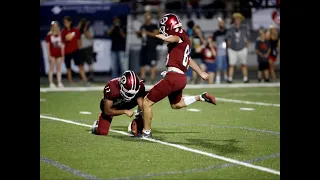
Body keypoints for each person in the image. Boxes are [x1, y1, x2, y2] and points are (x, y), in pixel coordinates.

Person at [141, 13, 217, 138]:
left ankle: (146, 132)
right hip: (181, 78)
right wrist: (200, 73)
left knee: (147, 102)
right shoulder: (185, 38)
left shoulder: (178, 36)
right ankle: (201, 97)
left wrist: (165, 38)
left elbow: (174, 38)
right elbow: (188, 59)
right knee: (176, 104)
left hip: (173, 77)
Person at [90, 70, 147, 136]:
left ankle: (134, 123)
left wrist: (141, 118)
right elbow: (107, 110)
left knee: (146, 103)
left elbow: (142, 106)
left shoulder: (140, 87)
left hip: (129, 103)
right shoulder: (112, 87)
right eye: (128, 92)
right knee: (102, 132)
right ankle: (96, 126)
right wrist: (124, 111)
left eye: (132, 93)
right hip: (114, 106)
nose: (130, 95)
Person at [61, 16, 89, 85]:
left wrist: (80, 49)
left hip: (76, 50)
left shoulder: (75, 30)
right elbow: (62, 42)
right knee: (68, 67)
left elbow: (79, 40)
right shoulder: (63, 31)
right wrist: (66, 39)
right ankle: (70, 82)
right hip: (67, 51)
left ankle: (85, 80)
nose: (65, 23)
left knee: (80, 65)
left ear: (70, 22)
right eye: (64, 22)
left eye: (67, 22)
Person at [226, 13, 250, 83]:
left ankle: (245, 78)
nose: (237, 20)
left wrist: (246, 47)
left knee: (243, 64)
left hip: (242, 48)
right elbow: (227, 39)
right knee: (231, 65)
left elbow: (247, 38)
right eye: (235, 19)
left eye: (238, 19)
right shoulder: (231, 28)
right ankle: (230, 79)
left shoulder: (244, 28)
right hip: (232, 49)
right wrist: (228, 48)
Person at [136, 12, 159, 84]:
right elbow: (139, 36)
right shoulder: (143, 26)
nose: (147, 18)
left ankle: (152, 79)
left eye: (148, 17)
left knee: (152, 64)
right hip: (144, 47)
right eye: (145, 17)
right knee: (143, 64)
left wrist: (146, 32)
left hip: (151, 48)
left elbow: (156, 34)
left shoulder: (154, 26)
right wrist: (138, 33)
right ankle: (143, 78)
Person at [45, 21, 64, 88]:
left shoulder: (60, 34)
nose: (55, 27)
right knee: (51, 68)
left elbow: (62, 45)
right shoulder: (49, 35)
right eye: (53, 26)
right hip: (52, 54)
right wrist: (49, 55)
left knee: (58, 68)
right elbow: (47, 46)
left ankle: (59, 82)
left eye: (56, 26)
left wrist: (62, 55)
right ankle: (51, 82)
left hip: (59, 54)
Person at [213, 17, 228, 84]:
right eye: (220, 23)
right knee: (219, 66)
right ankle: (218, 79)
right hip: (219, 50)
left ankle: (226, 77)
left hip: (226, 51)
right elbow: (213, 42)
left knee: (225, 65)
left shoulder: (227, 32)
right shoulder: (216, 33)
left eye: (222, 23)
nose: (221, 24)